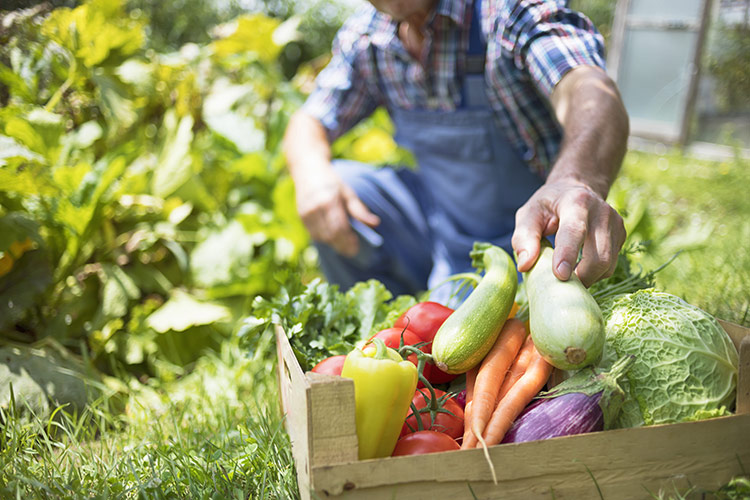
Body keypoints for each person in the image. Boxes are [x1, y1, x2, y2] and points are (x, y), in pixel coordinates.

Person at [282, 0, 629, 299]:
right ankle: (383, 334)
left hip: (538, 244)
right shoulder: (367, 38)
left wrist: (575, 180)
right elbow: (309, 121)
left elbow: (589, 89)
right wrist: (312, 175)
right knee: (341, 184)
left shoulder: (508, 13)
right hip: (441, 229)